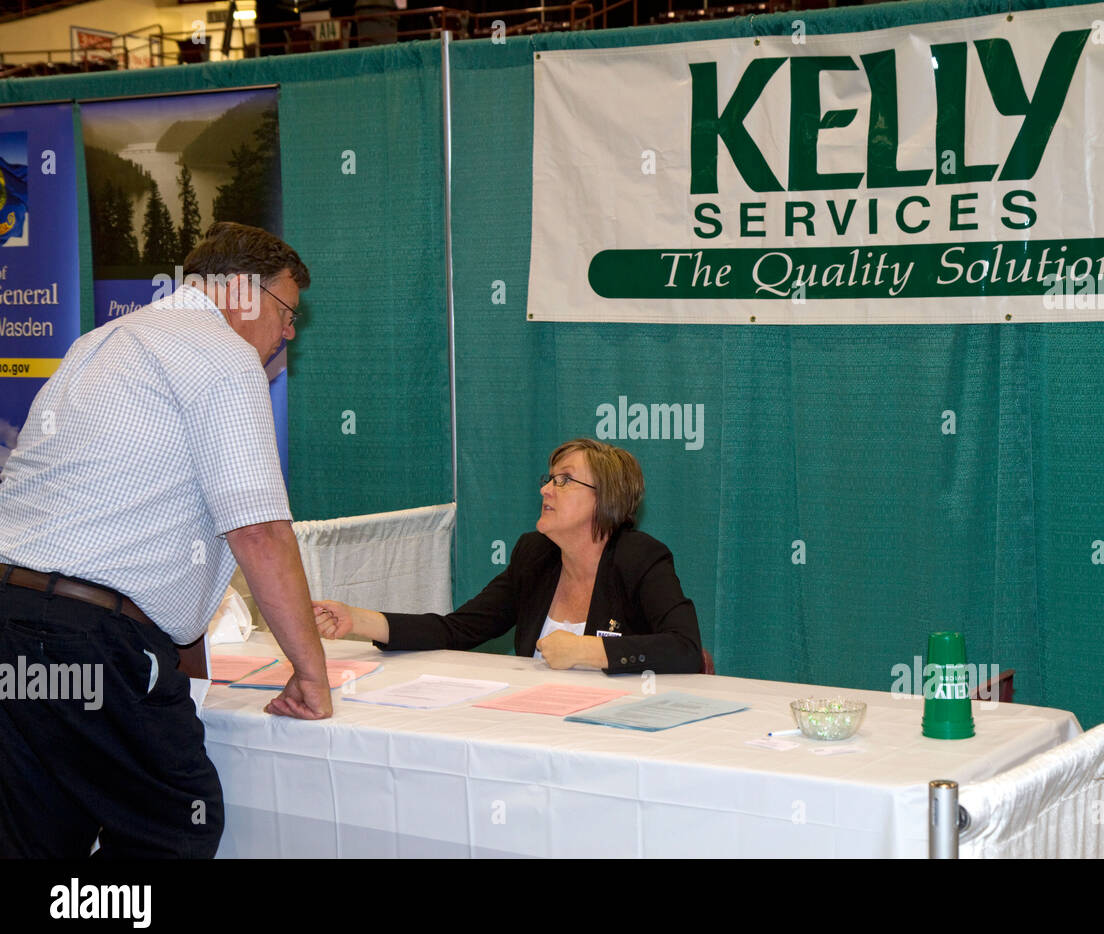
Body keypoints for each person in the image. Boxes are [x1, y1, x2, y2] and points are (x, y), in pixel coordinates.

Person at [0, 222, 332, 859]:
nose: (288, 333)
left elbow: (150, 537)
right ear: (241, 293)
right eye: (287, 312)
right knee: (177, 826)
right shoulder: (221, 354)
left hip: (16, 622)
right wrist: (311, 674)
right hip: (92, 640)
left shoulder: (100, 343)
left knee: (41, 836)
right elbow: (257, 530)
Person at [315, 439, 703, 674]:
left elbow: (686, 651)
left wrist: (586, 650)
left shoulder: (640, 558)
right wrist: (358, 619)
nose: (546, 490)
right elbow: (457, 631)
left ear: (606, 498)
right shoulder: (535, 556)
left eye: (564, 480)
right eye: (549, 479)